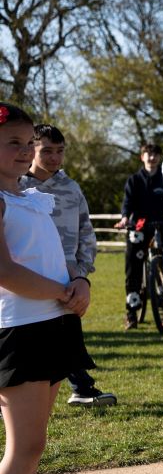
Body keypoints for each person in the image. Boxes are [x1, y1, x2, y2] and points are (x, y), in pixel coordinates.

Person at [0, 102, 92, 474]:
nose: (23, 151)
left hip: (50, 325)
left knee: (31, 451)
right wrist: (61, 290)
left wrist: (77, 280)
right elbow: (6, 272)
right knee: (23, 450)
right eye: (12, 143)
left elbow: (59, 254)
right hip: (19, 332)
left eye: (25, 142)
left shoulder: (29, 196)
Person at [19, 125, 116, 408]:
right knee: (25, 342)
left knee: (66, 338)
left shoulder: (71, 188)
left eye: (60, 151)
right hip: (27, 278)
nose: (54, 158)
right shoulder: (16, 187)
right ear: (31, 150)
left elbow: (86, 233)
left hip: (67, 278)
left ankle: (82, 388)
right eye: (46, 150)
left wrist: (82, 275)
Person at [114, 143, 163, 330]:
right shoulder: (134, 180)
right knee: (133, 270)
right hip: (138, 227)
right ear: (142, 157)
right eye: (148, 154)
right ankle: (131, 313)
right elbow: (127, 204)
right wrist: (124, 219)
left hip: (160, 226)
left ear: (159, 158)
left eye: (155, 154)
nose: (152, 157)